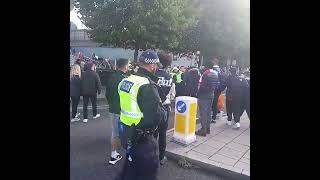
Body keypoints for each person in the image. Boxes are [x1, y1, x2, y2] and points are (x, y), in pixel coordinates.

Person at [116, 50, 166, 180]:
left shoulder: (126, 81)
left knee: (130, 172)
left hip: (127, 134)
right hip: (144, 140)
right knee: (148, 174)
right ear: (152, 65)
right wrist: (163, 110)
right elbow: (157, 117)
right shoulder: (147, 85)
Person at [105, 58, 129, 165]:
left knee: (115, 132)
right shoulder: (126, 79)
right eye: (128, 65)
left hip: (113, 109)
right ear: (125, 66)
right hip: (123, 110)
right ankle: (124, 155)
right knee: (127, 132)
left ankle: (114, 154)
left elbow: (107, 94)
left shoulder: (111, 77)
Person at [154, 51, 175, 165]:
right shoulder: (170, 77)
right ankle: (161, 157)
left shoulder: (152, 75)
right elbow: (172, 95)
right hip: (165, 108)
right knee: (163, 134)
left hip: (153, 108)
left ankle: (151, 156)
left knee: (152, 134)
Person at [196, 62, 219, 136]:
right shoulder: (215, 74)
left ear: (206, 67)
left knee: (203, 113)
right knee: (209, 112)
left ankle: (203, 130)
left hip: (203, 95)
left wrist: (198, 93)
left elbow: (200, 85)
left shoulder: (205, 73)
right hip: (211, 94)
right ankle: (208, 129)